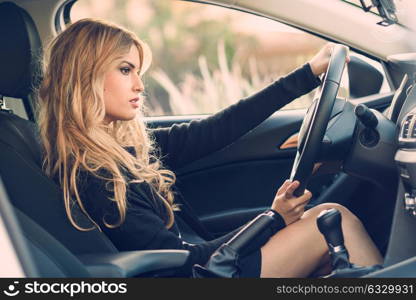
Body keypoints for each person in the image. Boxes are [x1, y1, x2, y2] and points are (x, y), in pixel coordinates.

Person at [37, 18, 382, 278]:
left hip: (210, 264)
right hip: (204, 276)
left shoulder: (124, 151)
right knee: (334, 219)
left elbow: (218, 129)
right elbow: (183, 260)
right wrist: (272, 219)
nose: (139, 85)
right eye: (125, 70)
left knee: (328, 240)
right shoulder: (95, 175)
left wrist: (307, 73)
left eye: (137, 71)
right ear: (85, 77)